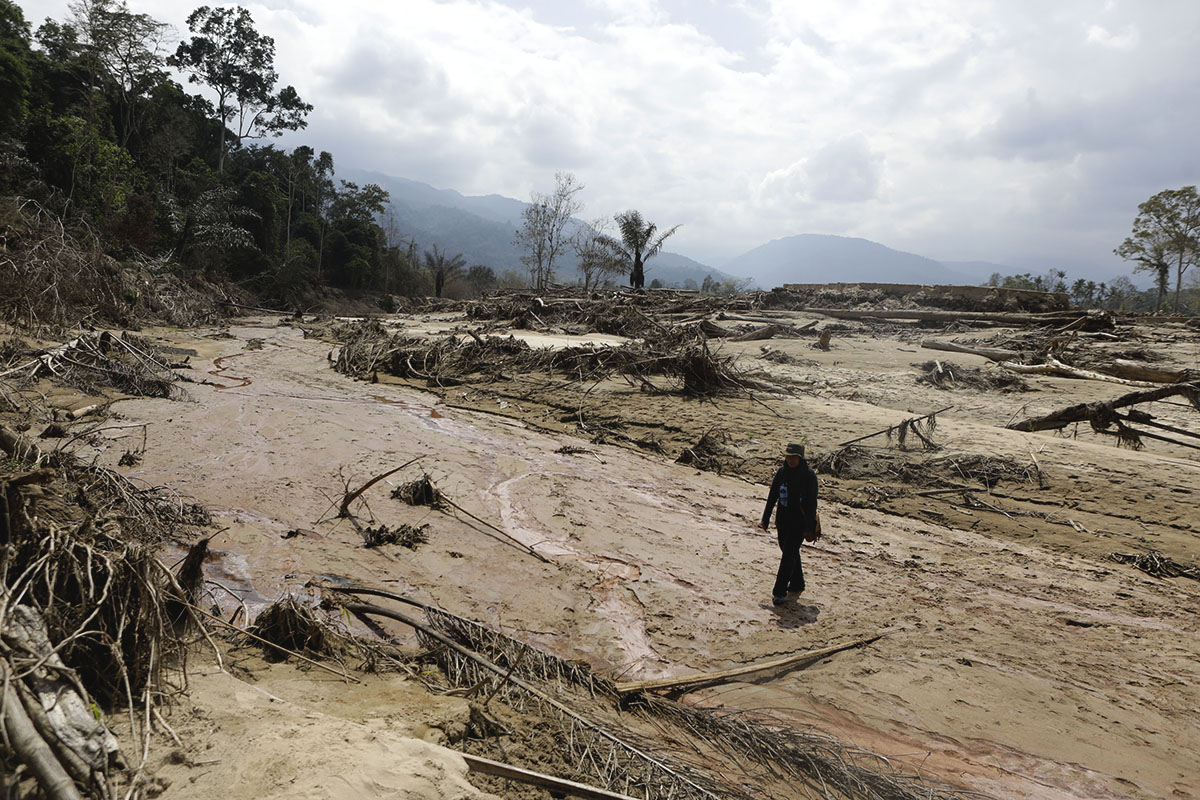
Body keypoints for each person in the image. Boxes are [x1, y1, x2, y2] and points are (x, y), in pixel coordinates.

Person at [759, 443, 818, 605]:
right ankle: (797, 582)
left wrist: (809, 527)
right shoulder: (782, 472)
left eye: (794, 457)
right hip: (783, 520)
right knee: (788, 551)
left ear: (800, 458)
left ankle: (779, 592)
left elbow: (812, 504)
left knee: (788, 555)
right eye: (788, 456)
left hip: (799, 523)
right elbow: (773, 496)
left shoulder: (809, 476)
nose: (790, 460)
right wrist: (765, 518)